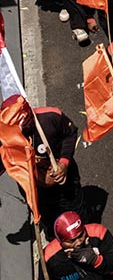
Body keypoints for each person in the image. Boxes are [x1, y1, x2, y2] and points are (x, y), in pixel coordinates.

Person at [0, 96, 84, 234]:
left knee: (77, 217)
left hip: (65, 181)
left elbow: (70, 133)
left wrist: (64, 162)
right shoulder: (5, 136)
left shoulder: (50, 117)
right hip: (38, 191)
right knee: (50, 224)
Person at [45, 212, 113, 279]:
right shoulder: (49, 256)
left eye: (80, 236)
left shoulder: (99, 233)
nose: (78, 243)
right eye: (71, 241)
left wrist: (96, 260)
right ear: (61, 241)